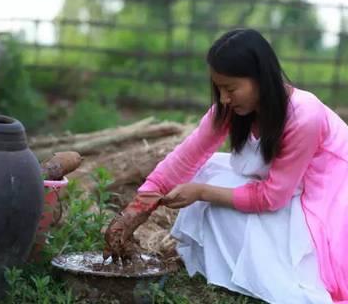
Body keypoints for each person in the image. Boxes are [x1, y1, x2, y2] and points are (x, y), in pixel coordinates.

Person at [103, 28, 348, 304]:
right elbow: (187, 156)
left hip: (325, 201)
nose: (223, 99)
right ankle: (236, 267)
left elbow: (272, 197)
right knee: (205, 171)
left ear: (261, 78)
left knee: (213, 190)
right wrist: (134, 211)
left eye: (230, 88)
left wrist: (202, 192)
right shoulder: (230, 108)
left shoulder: (304, 115)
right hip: (286, 187)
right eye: (218, 88)